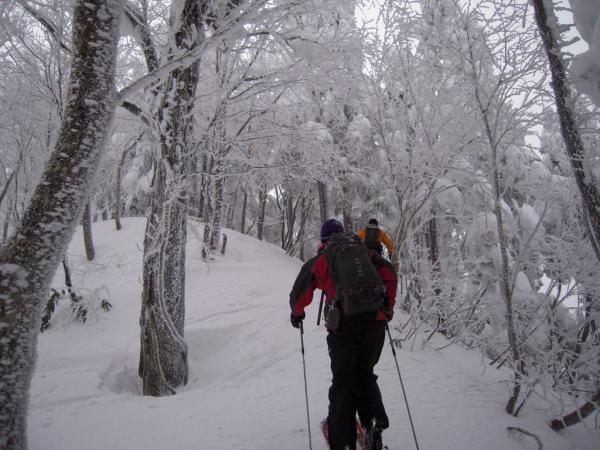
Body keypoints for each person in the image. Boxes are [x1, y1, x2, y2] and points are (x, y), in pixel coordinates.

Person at [289, 218, 398, 450]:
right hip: (375, 324)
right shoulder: (365, 254)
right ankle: (372, 423)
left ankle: (343, 443)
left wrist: (296, 314)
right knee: (364, 374)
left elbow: (301, 289)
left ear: (323, 240)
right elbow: (389, 273)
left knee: (344, 383)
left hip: (345, 327)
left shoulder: (325, 257)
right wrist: (387, 308)